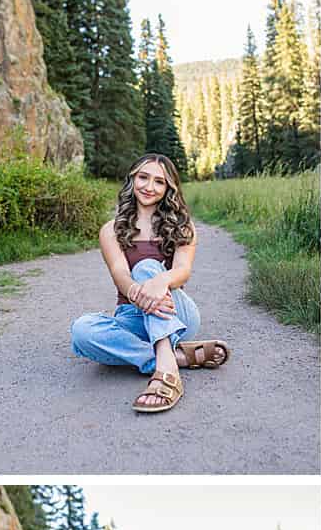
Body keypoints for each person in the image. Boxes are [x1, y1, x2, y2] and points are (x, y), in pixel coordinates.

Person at [69, 153, 229, 414]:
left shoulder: (182, 226)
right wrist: (140, 295)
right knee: (81, 331)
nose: (149, 186)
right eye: (143, 177)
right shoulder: (111, 230)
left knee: (146, 268)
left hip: (175, 315)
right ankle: (174, 358)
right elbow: (120, 275)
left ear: (168, 189)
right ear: (132, 179)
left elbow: (182, 271)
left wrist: (158, 282)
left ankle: (166, 370)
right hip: (132, 316)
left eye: (159, 181)